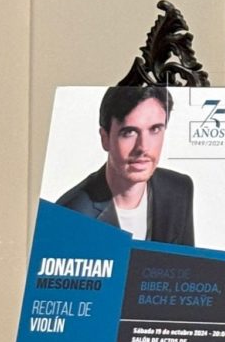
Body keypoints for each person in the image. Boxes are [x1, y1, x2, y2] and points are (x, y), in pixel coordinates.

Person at [57, 85, 195, 245]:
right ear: (105, 138)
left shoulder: (179, 190)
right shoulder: (70, 215)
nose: (143, 147)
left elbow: (187, 261)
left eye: (155, 129)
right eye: (129, 132)